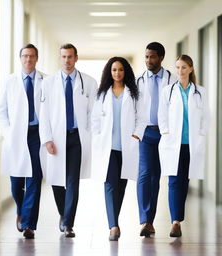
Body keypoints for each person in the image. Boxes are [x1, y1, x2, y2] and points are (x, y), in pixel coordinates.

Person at [39, 43, 97, 238]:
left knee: (73, 181)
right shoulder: (48, 83)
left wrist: (89, 135)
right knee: (56, 181)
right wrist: (47, 139)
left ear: (76, 58)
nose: (67, 60)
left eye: (70, 56)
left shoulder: (88, 82)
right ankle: (64, 215)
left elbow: (93, 112)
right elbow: (44, 113)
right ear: (60, 58)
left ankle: (68, 223)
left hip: (77, 138)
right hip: (56, 138)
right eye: (63, 57)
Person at [91, 57, 147, 241]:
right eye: (114, 70)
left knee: (121, 187)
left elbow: (142, 118)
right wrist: (98, 136)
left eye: (121, 69)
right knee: (109, 185)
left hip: (127, 147)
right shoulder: (102, 94)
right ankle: (113, 226)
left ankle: (115, 221)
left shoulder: (133, 93)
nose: (117, 73)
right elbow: (95, 120)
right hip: (108, 147)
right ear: (109, 72)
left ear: (126, 71)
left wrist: (136, 135)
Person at [0, 44, 45, 239]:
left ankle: (29, 224)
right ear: (20, 58)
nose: (28, 60)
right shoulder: (10, 81)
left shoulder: (45, 81)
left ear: (37, 58)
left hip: (36, 134)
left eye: (32, 56)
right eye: (25, 56)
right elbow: (1, 112)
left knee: (34, 178)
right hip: (16, 135)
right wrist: (8, 135)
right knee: (16, 181)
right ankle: (21, 209)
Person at [158, 54, 209, 237]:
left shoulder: (200, 92)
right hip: (173, 143)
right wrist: (165, 132)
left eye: (184, 67)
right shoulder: (168, 91)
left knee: (184, 180)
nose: (180, 71)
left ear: (191, 69)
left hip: (191, 143)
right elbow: (161, 115)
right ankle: (175, 222)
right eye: (178, 67)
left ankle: (178, 218)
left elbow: (206, 117)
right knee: (174, 181)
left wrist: (201, 133)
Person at [136, 42, 177, 237]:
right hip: (146, 133)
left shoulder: (173, 79)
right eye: (146, 56)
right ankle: (146, 221)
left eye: (152, 56)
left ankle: (172, 220)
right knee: (145, 175)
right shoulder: (138, 81)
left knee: (161, 176)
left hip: (166, 133)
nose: (148, 60)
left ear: (161, 57)